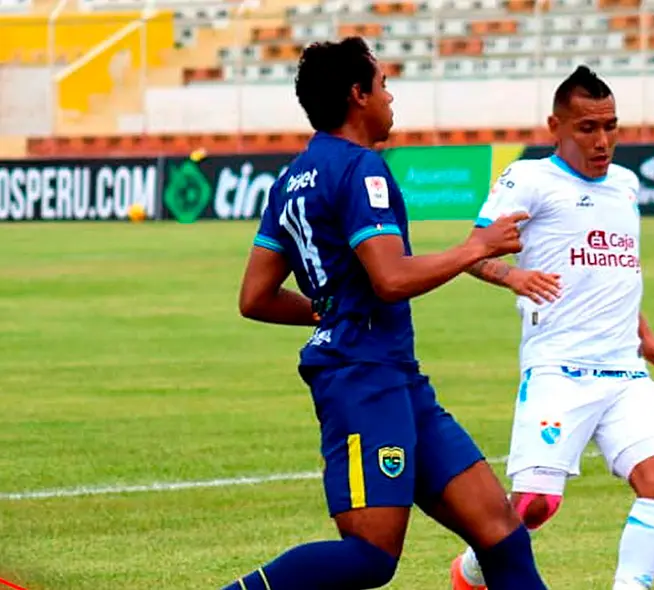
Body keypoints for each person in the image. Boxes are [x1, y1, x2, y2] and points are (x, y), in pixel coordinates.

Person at [225, 37, 549, 590]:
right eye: (383, 85)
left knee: (502, 535)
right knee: (370, 556)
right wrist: (475, 248)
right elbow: (391, 278)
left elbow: (255, 296)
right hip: (362, 380)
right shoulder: (361, 169)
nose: (390, 96)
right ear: (358, 95)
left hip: (393, 376)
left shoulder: (291, 179)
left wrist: (334, 313)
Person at [449, 65, 654, 590]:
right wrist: (514, 276)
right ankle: (470, 571)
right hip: (558, 368)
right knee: (534, 506)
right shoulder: (529, 180)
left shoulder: (625, 186)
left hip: (623, 371)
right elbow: (472, 252)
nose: (602, 141)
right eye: (587, 128)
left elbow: (616, 271)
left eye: (610, 126)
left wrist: (646, 338)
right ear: (556, 127)